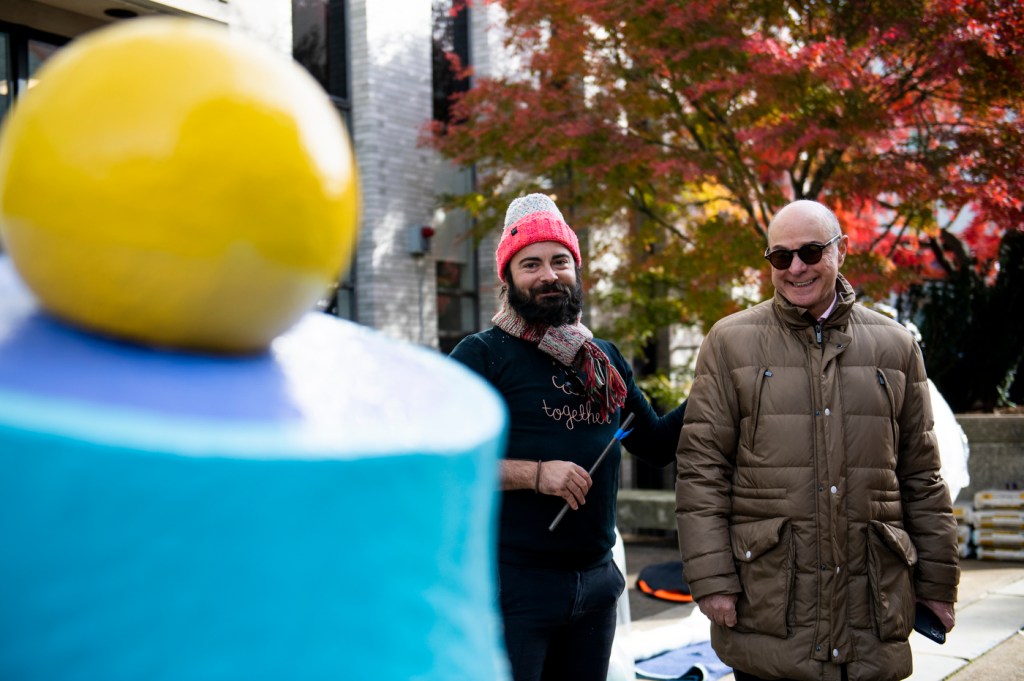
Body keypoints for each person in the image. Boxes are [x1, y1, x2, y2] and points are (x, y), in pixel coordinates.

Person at [675, 199, 959, 681]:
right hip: (771, 609)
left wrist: (937, 582)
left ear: (841, 251)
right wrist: (712, 581)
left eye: (810, 251)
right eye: (781, 257)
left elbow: (921, 475)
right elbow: (701, 471)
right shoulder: (729, 342)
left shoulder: (896, 346)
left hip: (870, 607)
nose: (796, 267)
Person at [450, 193, 686, 681]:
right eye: (530, 263)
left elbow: (658, 446)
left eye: (560, 261)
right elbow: (442, 462)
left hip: (597, 586)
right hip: (514, 588)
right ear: (508, 277)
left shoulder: (603, 359)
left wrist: (717, 382)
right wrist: (537, 475)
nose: (548, 275)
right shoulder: (482, 355)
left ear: (576, 270)